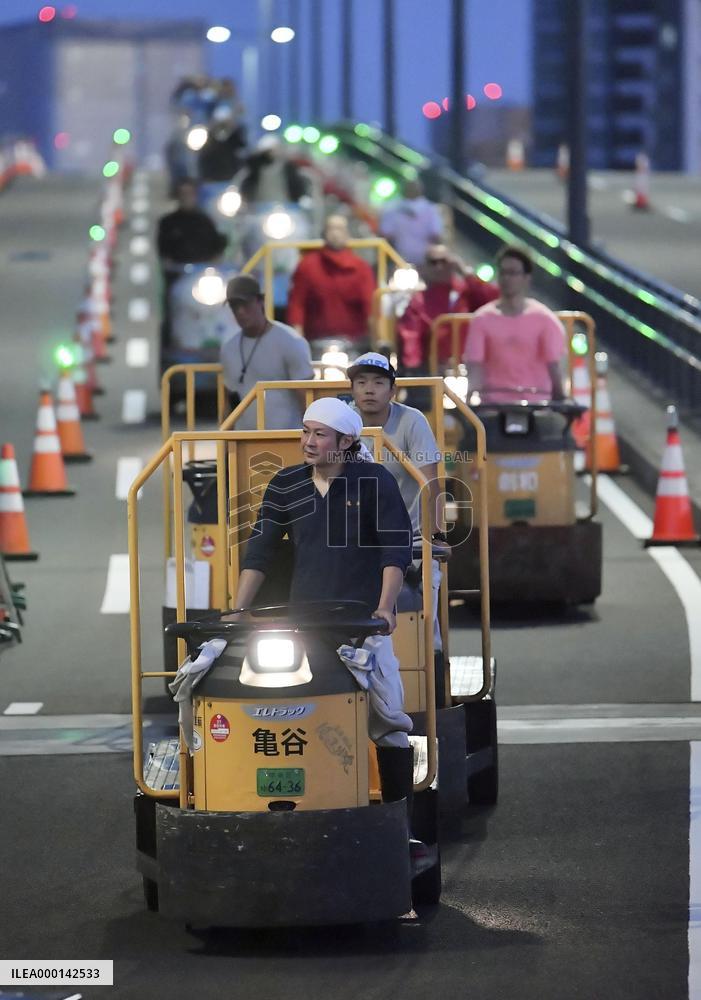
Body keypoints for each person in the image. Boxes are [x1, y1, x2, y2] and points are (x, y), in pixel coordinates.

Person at [231, 397, 423, 856]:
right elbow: (259, 551)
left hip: (361, 625)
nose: (307, 441)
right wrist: (237, 611)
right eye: (305, 432)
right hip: (300, 627)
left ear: (346, 441)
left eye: (318, 434)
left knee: (391, 723)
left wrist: (385, 609)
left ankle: (403, 831)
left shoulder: (374, 482)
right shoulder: (286, 483)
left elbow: (393, 552)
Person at [348, 352, 448, 651]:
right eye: (361, 382)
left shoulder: (411, 421)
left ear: (393, 390)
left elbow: (430, 483)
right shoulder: (341, 422)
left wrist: (436, 538)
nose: (369, 389)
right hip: (354, 541)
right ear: (351, 389)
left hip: (411, 540)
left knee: (423, 625)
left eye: (378, 383)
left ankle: (432, 674)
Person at [463, 244, 566, 403]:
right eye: (503, 273)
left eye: (513, 273)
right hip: (494, 407)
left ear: (527, 277)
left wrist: (561, 400)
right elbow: (475, 365)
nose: (507, 279)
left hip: (537, 406)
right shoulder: (482, 319)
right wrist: (469, 401)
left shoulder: (545, 318)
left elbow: (554, 366)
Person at [220, 274, 314, 430]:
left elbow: (306, 398)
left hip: (286, 439)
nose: (240, 311)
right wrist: (225, 444)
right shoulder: (229, 348)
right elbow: (229, 403)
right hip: (245, 441)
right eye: (234, 306)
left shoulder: (291, 341)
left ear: (260, 301)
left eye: (245, 304)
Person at [397, 244, 498, 374]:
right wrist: (415, 368)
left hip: (469, 367)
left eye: (444, 261)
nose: (439, 267)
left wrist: (465, 272)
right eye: (433, 262)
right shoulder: (418, 301)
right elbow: (410, 336)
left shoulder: (467, 292)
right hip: (434, 370)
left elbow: (493, 300)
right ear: (425, 267)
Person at [286, 215, 376, 345]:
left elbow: (370, 308)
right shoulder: (307, 266)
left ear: (347, 234)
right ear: (324, 233)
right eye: (331, 229)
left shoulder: (361, 268)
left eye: (340, 229)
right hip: (315, 342)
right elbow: (297, 303)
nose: (335, 233)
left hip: (354, 344)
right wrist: (297, 340)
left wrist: (376, 342)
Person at [379, 178, 443, 266]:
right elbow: (385, 235)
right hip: (398, 261)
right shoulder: (393, 208)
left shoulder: (430, 209)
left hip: (424, 263)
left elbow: (436, 235)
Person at [237, 137, 309, 205]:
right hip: (258, 208)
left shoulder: (289, 168)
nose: (272, 154)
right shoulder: (253, 170)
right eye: (268, 152)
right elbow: (244, 186)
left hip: (285, 207)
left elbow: (298, 187)